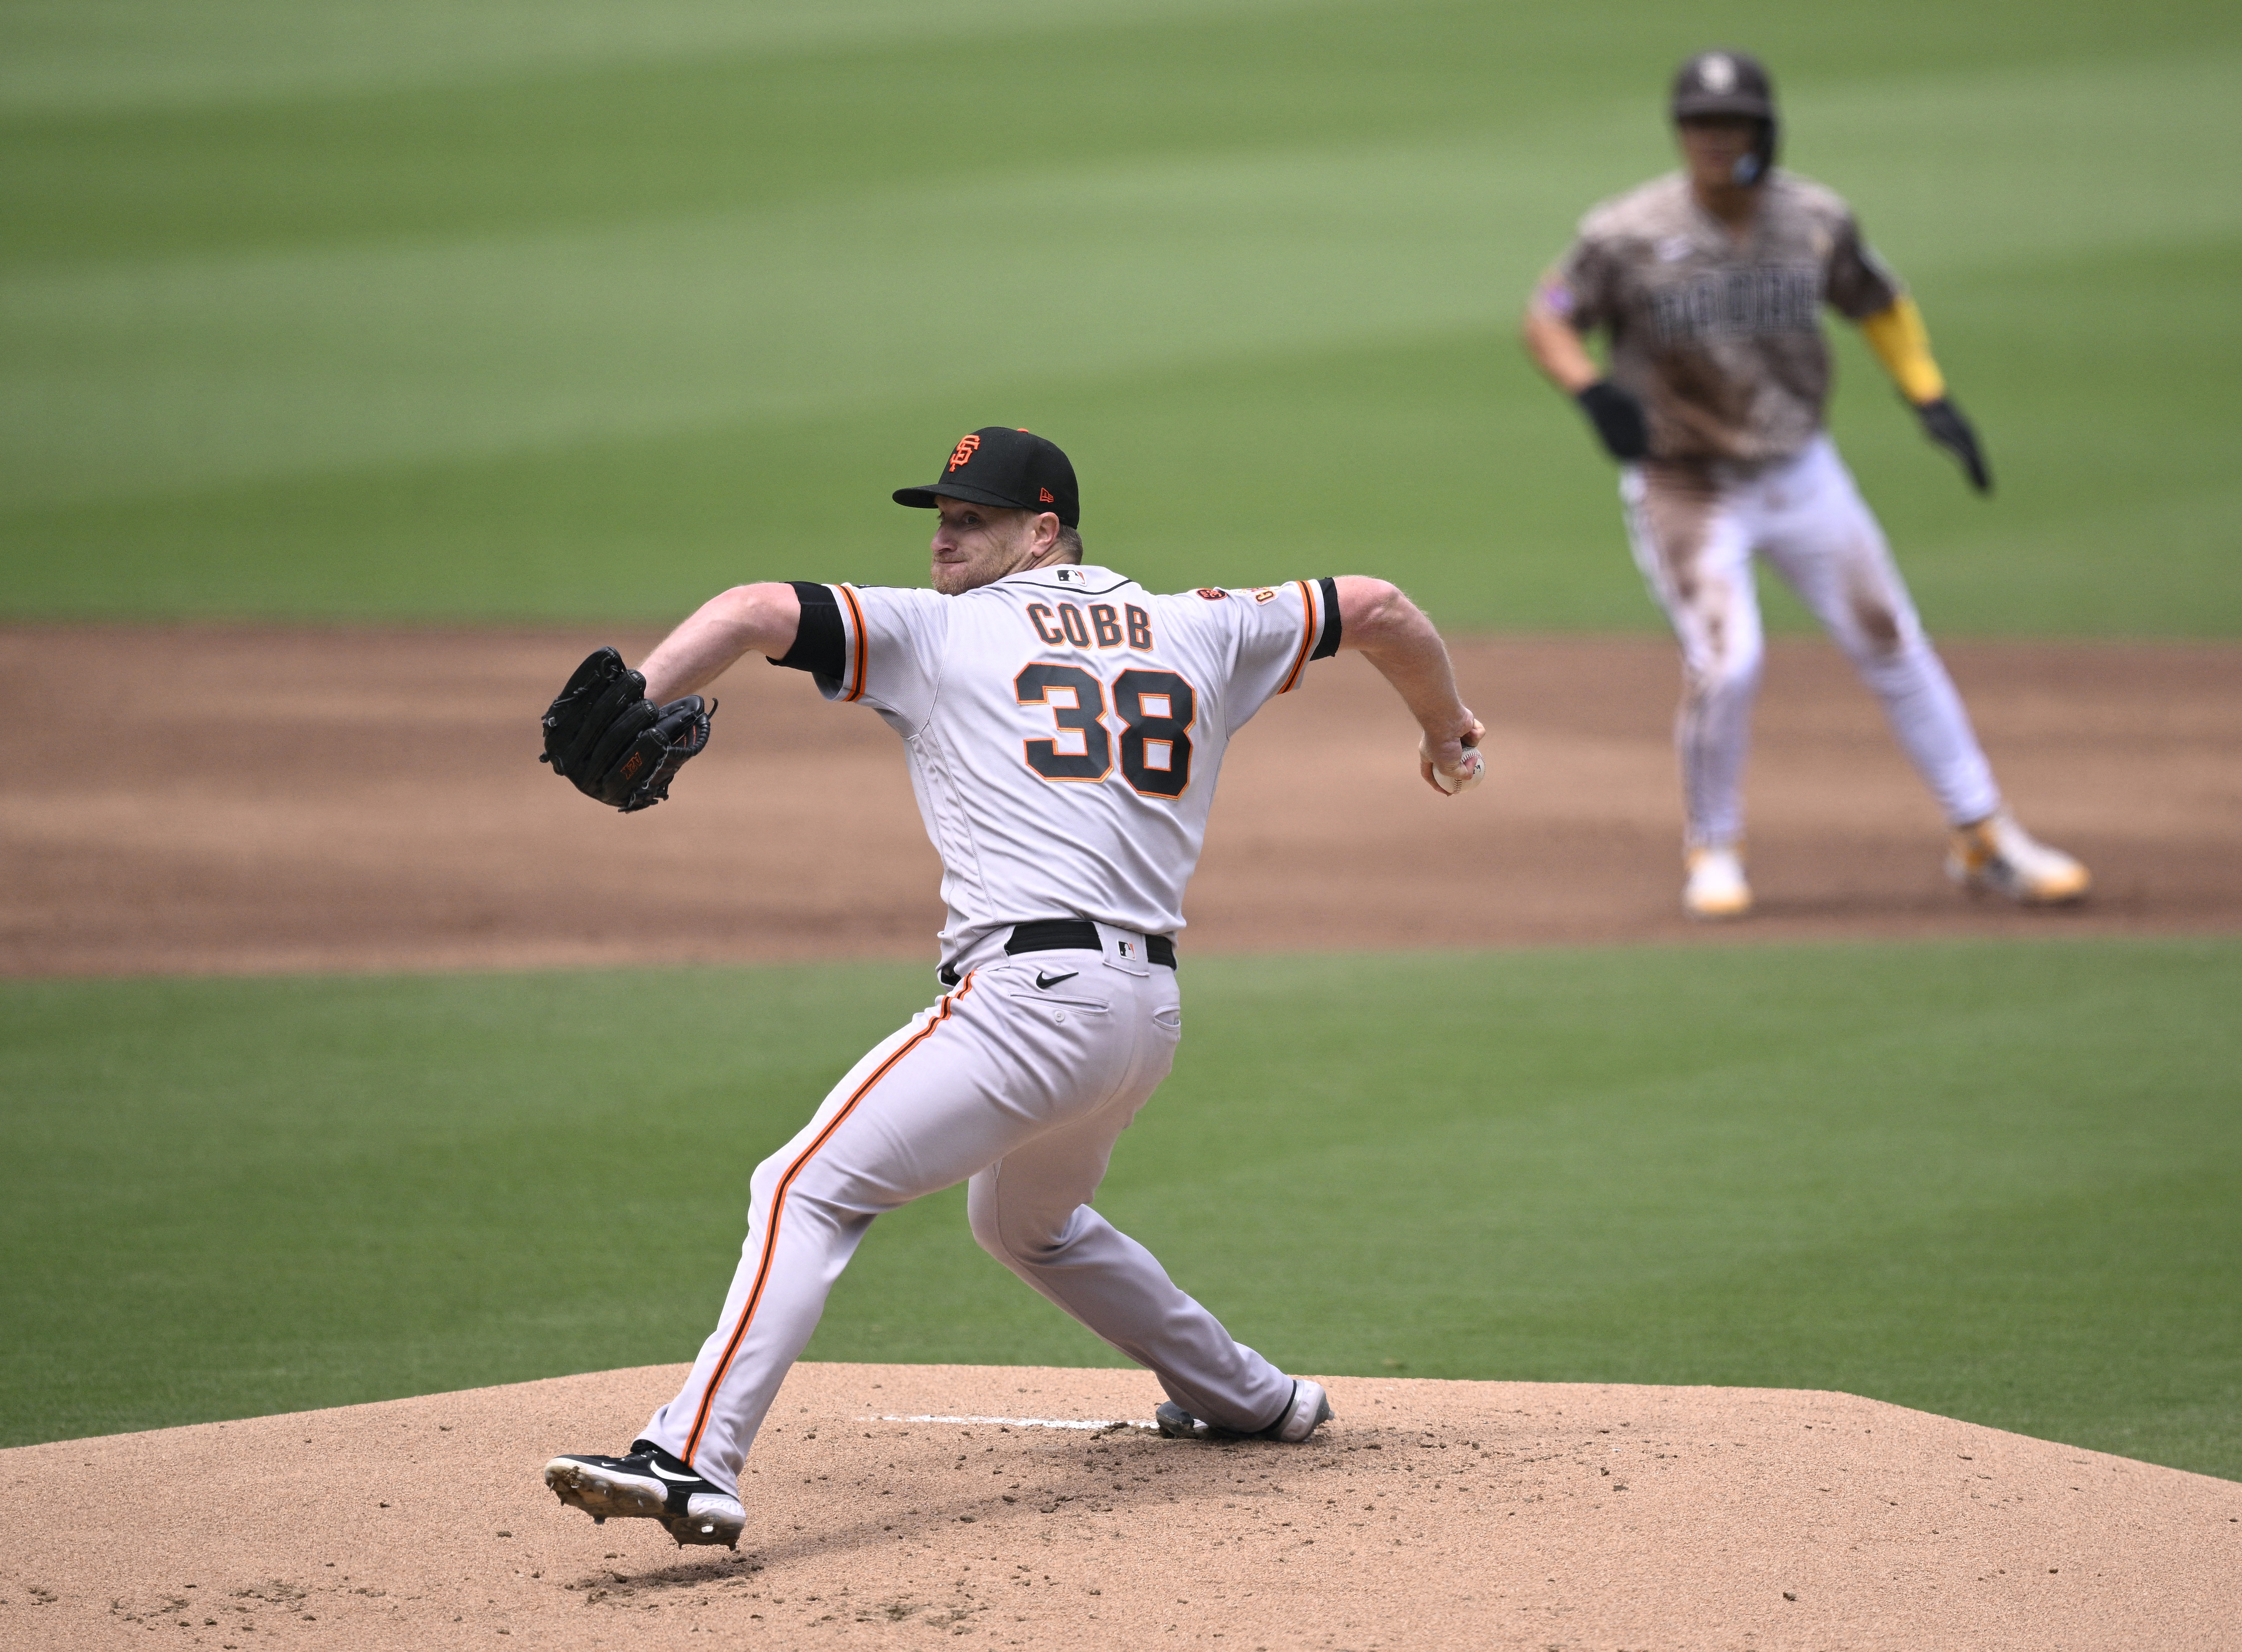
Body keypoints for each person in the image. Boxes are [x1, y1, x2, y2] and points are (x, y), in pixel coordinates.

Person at [535, 426, 1486, 1548]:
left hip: (1029, 1003)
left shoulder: (937, 630)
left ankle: (691, 1456)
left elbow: (752, 609)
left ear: (1044, 531)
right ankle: (1253, 1396)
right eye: (939, 514)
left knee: (802, 1184)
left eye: (971, 517)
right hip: (1143, 1017)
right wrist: (1446, 728)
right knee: (1026, 1222)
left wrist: (642, 690)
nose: (944, 533)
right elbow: (1373, 604)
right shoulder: (1201, 624)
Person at [1521, 49, 2088, 920]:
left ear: (1763, 128)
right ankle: (1713, 845)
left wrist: (1927, 395)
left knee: (1890, 637)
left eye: (1731, 122)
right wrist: (1588, 388)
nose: (1714, 140)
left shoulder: (1813, 219)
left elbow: (1876, 303)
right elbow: (1549, 314)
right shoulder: (1627, 231)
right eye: (1698, 124)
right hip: (1688, 485)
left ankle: (1982, 833)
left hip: (1798, 469)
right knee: (1729, 659)